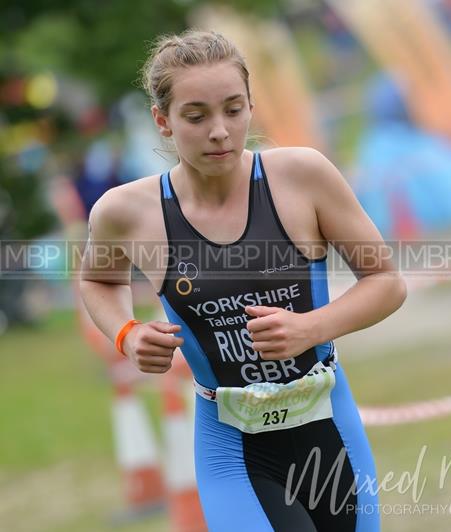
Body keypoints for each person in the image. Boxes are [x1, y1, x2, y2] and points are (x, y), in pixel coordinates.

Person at [80, 30, 406, 531]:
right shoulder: (127, 212)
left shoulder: (302, 176)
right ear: (162, 122)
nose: (220, 131)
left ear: (252, 106)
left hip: (329, 427)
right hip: (231, 449)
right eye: (196, 116)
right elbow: (98, 281)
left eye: (234, 110)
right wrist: (126, 334)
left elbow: (386, 282)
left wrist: (310, 329)